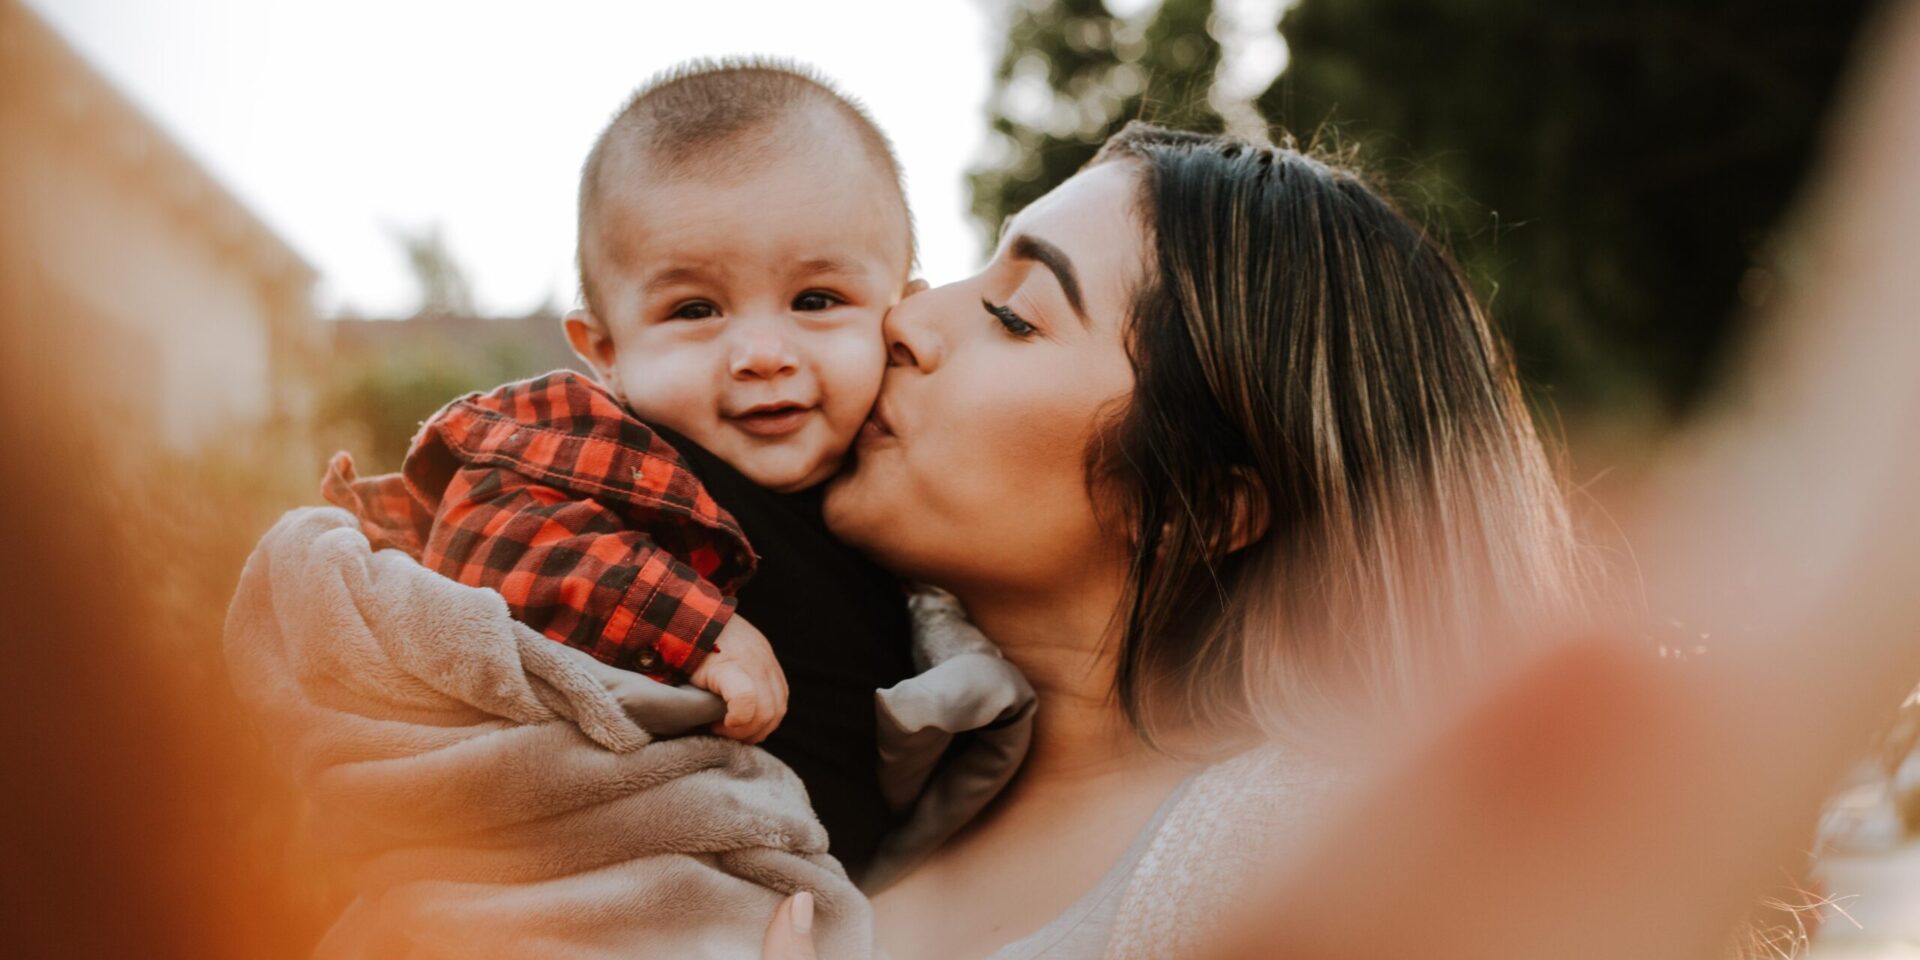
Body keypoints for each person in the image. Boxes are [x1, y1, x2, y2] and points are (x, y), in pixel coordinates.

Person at [762, 120, 1589, 958]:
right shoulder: (830, 750)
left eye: (1014, 317)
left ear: (1199, 507)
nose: (906, 316)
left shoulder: (1314, 871)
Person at [319, 58, 924, 877]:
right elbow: (492, 530)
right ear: (605, 351)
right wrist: (695, 629)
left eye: (816, 300)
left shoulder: (909, 483)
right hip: (621, 881)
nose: (761, 354)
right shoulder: (614, 449)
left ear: (903, 314)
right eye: (694, 310)